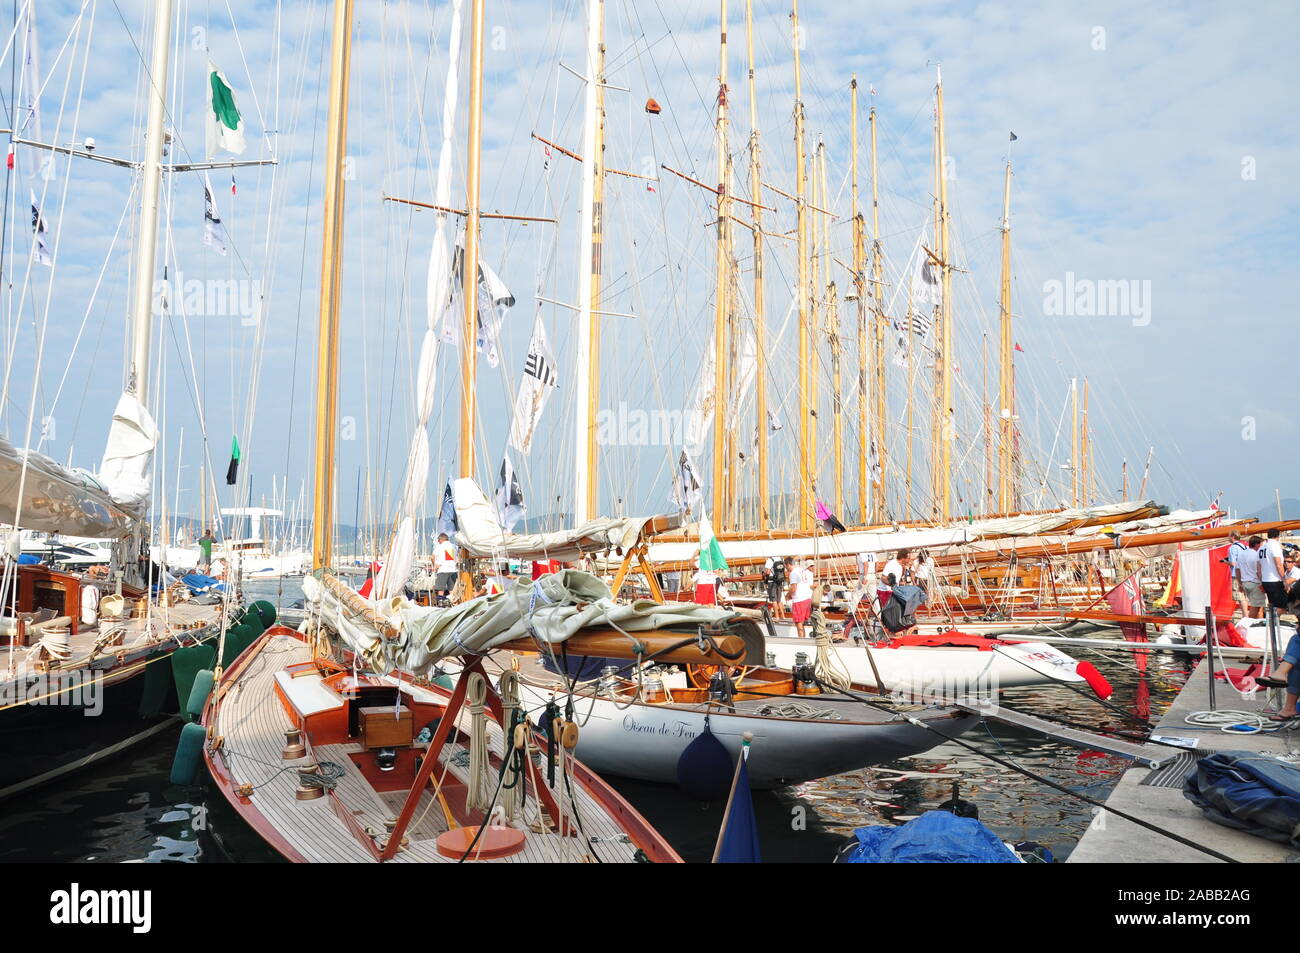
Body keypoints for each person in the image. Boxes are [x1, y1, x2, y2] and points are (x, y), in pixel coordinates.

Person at [1260, 528, 1288, 612]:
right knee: (1281, 606)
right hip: (1275, 580)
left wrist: (1260, 580)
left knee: (1272, 604)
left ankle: (1271, 622)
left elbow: (1258, 566)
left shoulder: (1262, 547)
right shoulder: (1275, 546)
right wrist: (1284, 579)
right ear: (1277, 536)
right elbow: (1278, 564)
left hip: (1265, 580)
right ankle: (1274, 623)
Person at [1238, 535, 1266, 619]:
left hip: (1245, 583)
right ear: (1257, 544)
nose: (1261, 546)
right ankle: (1249, 623)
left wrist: (1240, 583)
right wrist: (1262, 583)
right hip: (1255, 583)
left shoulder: (1241, 554)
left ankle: (1258, 624)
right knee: (1256, 606)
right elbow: (1258, 571)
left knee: (1259, 606)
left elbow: (1237, 570)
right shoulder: (1256, 554)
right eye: (1261, 544)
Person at [787, 558, 815, 638]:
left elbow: (793, 588)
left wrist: (788, 595)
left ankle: (801, 640)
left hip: (799, 600)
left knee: (798, 622)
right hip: (807, 599)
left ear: (788, 565)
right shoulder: (801, 570)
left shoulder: (793, 573)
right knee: (802, 622)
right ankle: (803, 639)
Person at [433, 533, 458, 604]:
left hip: (442, 569)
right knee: (452, 589)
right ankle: (452, 603)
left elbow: (433, 557)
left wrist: (435, 565)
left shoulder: (439, 547)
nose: (438, 541)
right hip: (453, 570)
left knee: (441, 589)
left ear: (441, 539)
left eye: (438, 540)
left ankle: (440, 603)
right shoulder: (454, 546)